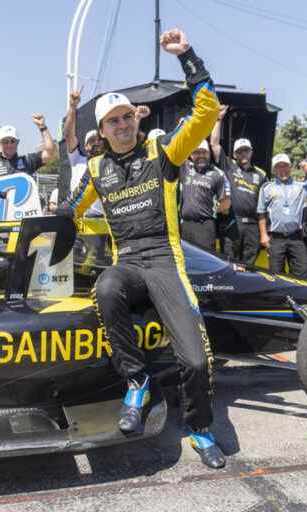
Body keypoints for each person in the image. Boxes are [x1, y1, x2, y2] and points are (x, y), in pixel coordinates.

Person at [59, 28, 226, 469]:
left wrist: (186, 54)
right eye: (113, 120)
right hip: (128, 264)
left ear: (137, 120)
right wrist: (36, 231)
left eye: (127, 117)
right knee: (106, 287)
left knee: (194, 359)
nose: (122, 124)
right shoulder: (95, 169)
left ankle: (199, 428)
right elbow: (69, 213)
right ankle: (137, 382)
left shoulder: (162, 151)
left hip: (166, 261)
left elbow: (206, 112)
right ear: (103, 129)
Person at [210, 107, 267, 264]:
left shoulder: (261, 175)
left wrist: (264, 232)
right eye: (239, 152)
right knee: (229, 263)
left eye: (246, 151)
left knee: (249, 266)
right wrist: (218, 119)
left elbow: (266, 204)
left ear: (251, 152)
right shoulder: (229, 166)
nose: (243, 154)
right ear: (234, 154)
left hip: (253, 227)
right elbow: (214, 144)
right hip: (232, 222)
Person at [257, 154, 307, 276]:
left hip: (296, 238)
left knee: (301, 273)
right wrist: (263, 235)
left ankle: (298, 296)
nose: (282, 170)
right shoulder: (266, 188)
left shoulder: (301, 186)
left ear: (290, 167)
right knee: (276, 275)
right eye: (278, 167)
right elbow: (261, 213)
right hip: (276, 238)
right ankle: (279, 296)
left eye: (285, 166)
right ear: (274, 170)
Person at [180, 140, 230, 251]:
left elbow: (226, 204)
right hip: (185, 225)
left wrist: (210, 211)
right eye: (197, 152)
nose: (201, 155)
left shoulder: (218, 174)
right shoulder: (185, 168)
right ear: (191, 155)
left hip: (205, 227)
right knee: (185, 262)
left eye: (204, 152)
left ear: (209, 154)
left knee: (204, 263)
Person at [63, 88, 105, 215]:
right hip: (79, 218)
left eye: (99, 140)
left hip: (102, 221)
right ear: (85, 146)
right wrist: (72, 107)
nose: (96, 143)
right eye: (92, 141)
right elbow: (68, 134)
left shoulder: (109, 164)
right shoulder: (77, 160)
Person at [0, 115, 57, 179]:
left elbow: (50, 153)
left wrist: (42, 127)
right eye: (5, 142)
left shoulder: (27, 160)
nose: (9, 145)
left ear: (18, 142)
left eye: (13, 141)